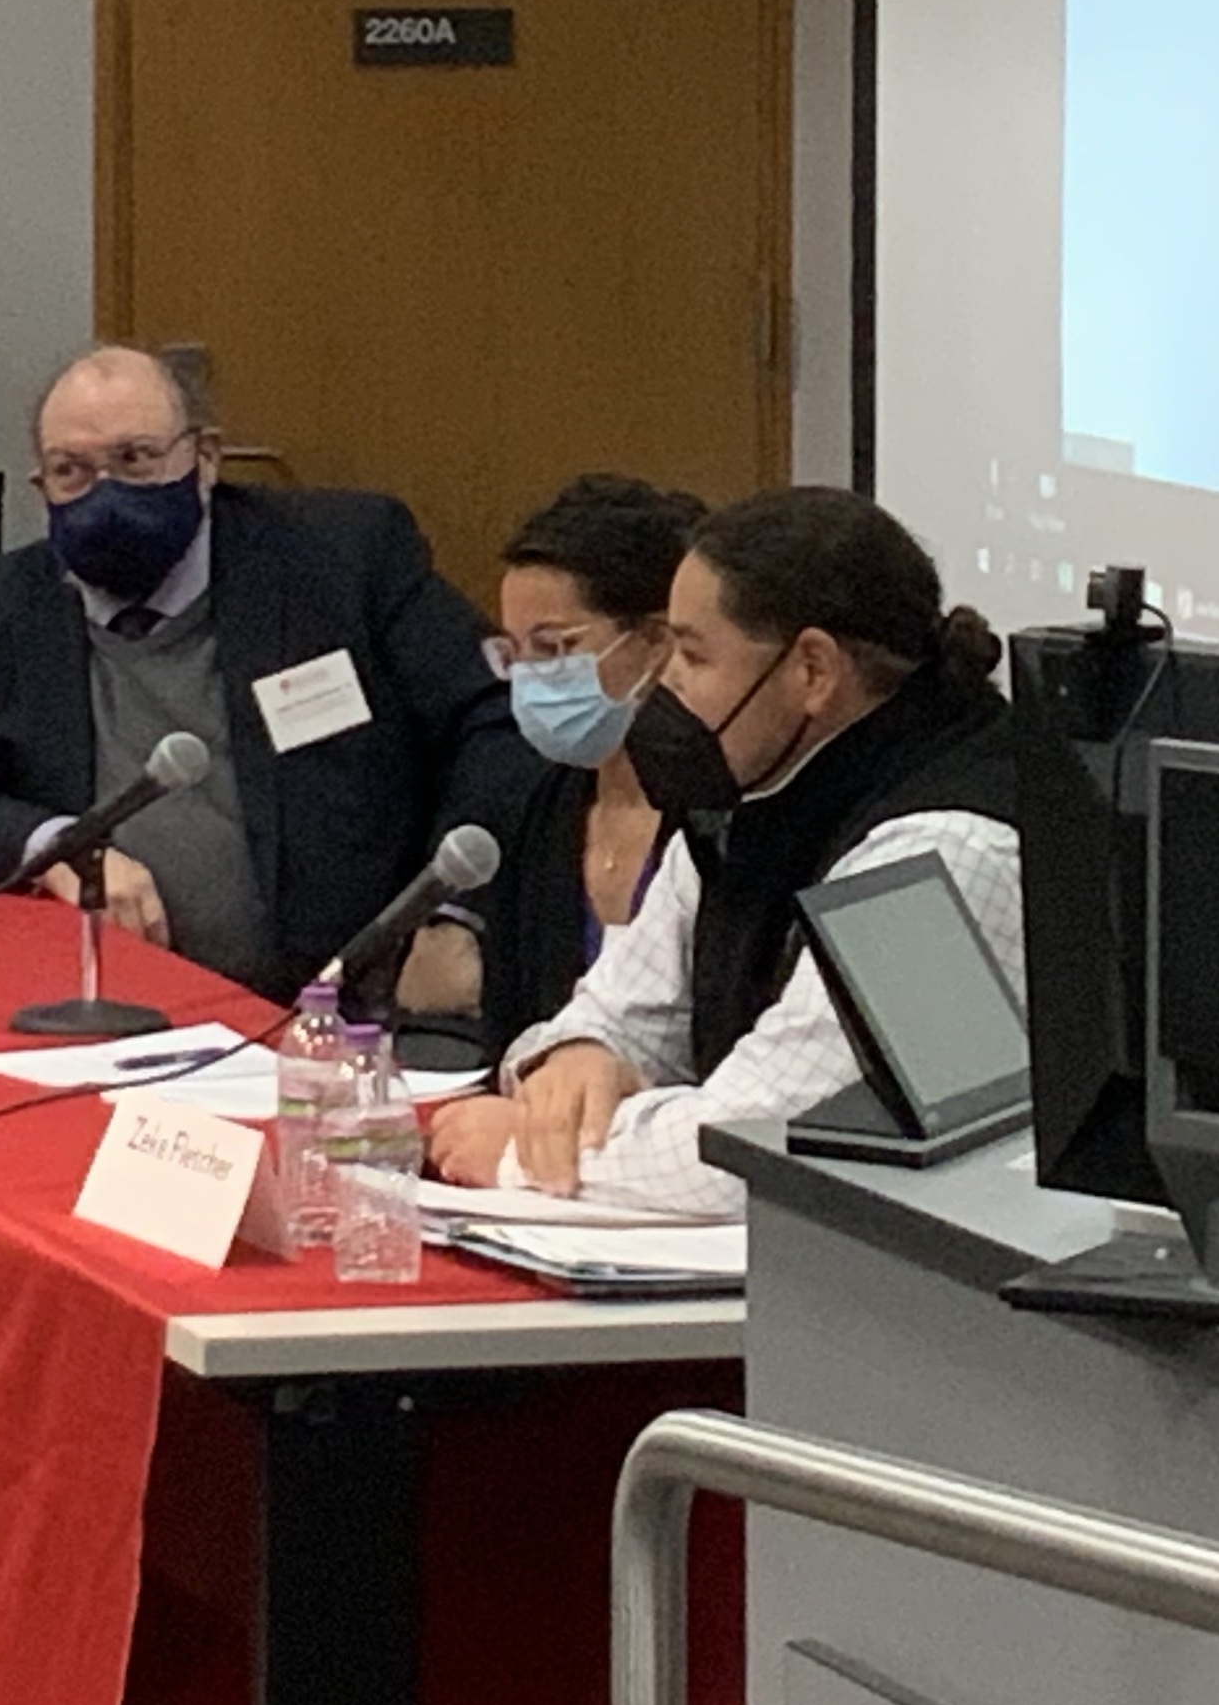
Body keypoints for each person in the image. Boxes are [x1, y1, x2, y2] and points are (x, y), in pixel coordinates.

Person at [424, 486, 1020, 1216]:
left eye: (692, 655)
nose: (667, 684)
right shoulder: (750, 790)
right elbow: (617, 1014)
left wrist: (521, 1153)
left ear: (812, 671)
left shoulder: (943, 852)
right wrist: (579, 1057)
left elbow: (767, 1148)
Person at [0, 343, 538, 999]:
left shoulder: (342, 561)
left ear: (205, 457)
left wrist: (452, 913)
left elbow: (492, 721)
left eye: (136, 458)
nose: (105, 492)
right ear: (40, 487)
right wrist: (63, 850)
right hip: (110, 1005)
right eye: (71, 471)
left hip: (352, 998)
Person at [394, 474, 705, 1050]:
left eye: (554, 647)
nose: (529, 677)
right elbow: (508, 1027)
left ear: (657, 641)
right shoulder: (531, 805)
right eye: (514, 652)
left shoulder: (721, 821)